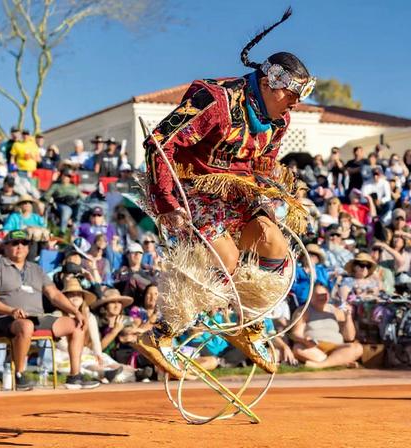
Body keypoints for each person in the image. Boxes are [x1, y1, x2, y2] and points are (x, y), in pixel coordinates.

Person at [134, 9, 315, 377]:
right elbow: (159, 144)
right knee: (227, 261)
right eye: (292, 94)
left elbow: (262, 163)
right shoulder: (213, 99)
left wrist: (272, 194)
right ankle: (161, 335)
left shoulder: (281, 121)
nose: (295, 103)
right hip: (193, 186)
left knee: (274, 243)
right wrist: (167, 203)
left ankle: (249, 327)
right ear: (270, 82)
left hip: (237, 191)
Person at [0, 230, 99, 390]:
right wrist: (11, 310)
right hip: (5, 318)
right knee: (26, 325)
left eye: (24, 243)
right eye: (15, 243)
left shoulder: (36, 269)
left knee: (77, 324)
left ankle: (74, 376)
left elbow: (54, 294)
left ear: (29, 248)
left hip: (37, 317)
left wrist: (75, 311)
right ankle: (19, 374)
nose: (20, 247)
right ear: (5, 247)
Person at [290, 282, 363, 368]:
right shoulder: (303, 311)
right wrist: (304, 340)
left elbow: (349, 337)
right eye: (317, 295)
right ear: (310, 296)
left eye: (324, 294)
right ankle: (339, 361)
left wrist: (348, 316)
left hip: (336, 347)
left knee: (357, 348)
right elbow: (295, 333)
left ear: (328, 295)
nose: (321, 297)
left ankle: (321, 365)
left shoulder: (335, 311)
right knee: (298, 348)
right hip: (314, 348)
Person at [43, 169, 82, 235]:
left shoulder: (74, 187)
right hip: (61, 203)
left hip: (73, 203)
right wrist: (51, 201)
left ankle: (76, 229)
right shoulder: (56, 186)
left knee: (81, 207)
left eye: (69, 176)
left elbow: (81, 197)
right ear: (61, 176)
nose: (67, 178)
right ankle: (62, 231)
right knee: (67, 210)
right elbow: (46, 195)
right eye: (65, 176)